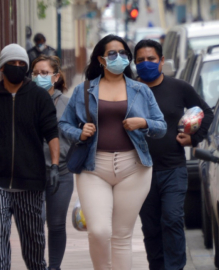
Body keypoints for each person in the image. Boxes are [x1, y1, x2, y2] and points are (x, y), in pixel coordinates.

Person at [59, 35, 167, 270]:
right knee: (99, 231)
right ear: (100, 59)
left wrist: (143, 123)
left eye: (123, 54)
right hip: (93, 167)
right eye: (112, 53)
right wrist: (80, 133)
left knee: (121, 236)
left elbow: (161, 126)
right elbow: (64, 125)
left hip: (134, 169)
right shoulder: (84, 90)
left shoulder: (140, 90)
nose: (119, 58)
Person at [0, 43, 60, 270]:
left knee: (33, 245)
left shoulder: (39, 97)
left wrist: (56, 166)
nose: (18, 67)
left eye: (22, 64)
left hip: (29, 181)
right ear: (2, 66)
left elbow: (51, 134)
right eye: (13, 63)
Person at [134, 39, 213, 270]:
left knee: (172, 219)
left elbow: (206, 113)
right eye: (140, 60)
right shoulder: (130, 90)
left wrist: (193, 138)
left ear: (161, 61)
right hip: (140, 172)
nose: (146, 63)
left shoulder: (179, 88)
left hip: (173, 169)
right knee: (151, 228)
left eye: (151, 59)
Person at [31, 55, 72, 270]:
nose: (39, 77)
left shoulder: (67, 103)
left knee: (56, 225)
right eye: (36, 73)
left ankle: (54, 267)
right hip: (32, 173)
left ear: (55, 77)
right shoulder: (25, 101)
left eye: (44, 73)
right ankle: (39, 265)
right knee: (36, 223)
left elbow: (77, 134)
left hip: (61, 172)